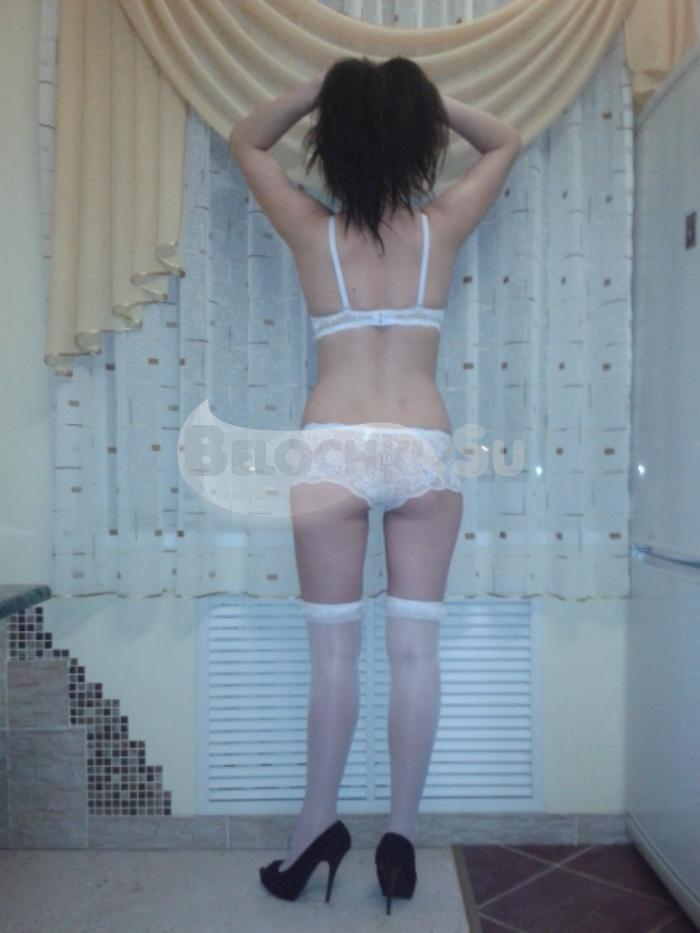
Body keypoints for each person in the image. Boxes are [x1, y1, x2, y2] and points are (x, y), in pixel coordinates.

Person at [228, 55, 522, 913]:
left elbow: (246, 140)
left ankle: (313, 831)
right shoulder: (441, 225)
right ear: (413, 139)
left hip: (333, 450)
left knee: (333, 656)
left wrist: (320, 90)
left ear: (338, 142)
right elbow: (504, 140)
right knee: (414, 652)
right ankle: (399, 836)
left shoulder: (311, 229)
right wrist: (423, 100)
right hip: (423, 447)